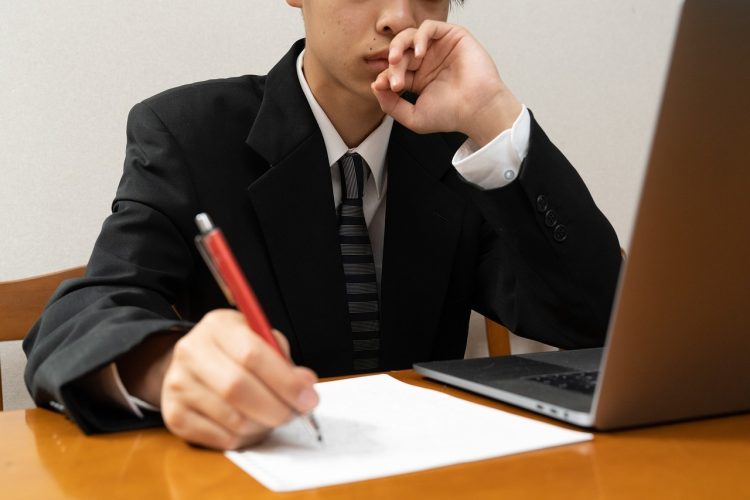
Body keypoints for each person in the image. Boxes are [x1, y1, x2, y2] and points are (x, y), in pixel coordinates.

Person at [24, 0, 622, 450]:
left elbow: (598, 318)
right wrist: (163, 366)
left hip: (424, 473)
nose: (398, 17)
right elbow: (78, 317)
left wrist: (493, 115)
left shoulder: (462, 149)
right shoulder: (189, 134)